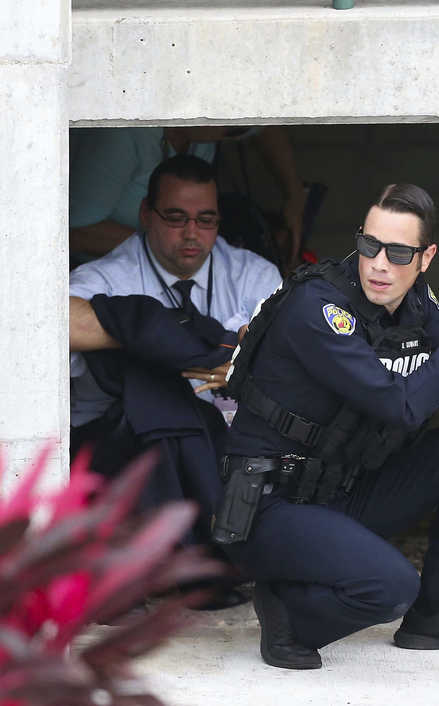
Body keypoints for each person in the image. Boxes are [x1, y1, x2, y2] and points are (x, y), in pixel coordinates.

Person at [221, 183, 439, 670]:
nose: (379, 264)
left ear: (426, 257)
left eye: (398, 252)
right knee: (390, 587)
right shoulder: (319, 307)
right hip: (271, 504)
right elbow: (401, 406)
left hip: (342, 487)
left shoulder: (416, 304)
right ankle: (288, 612)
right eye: (369, 245)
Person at [69, 154, 282, 559]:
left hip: (227, 450)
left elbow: (280, 361)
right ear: (145, 214)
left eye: (206, 220)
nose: (191, 233)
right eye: (175, 217)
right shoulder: (110, 274)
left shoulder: (253, 274)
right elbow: (54, 323)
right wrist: (157, 338)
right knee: (150, 386)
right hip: (124, 455)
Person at [69, 126, 306, 268]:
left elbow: (264, 128)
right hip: (103, 271)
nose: (232, 135)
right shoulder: (123, 135)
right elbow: (73, 233)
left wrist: (294, 196)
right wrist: (168, 248)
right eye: (234, 129)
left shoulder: (204, 137)